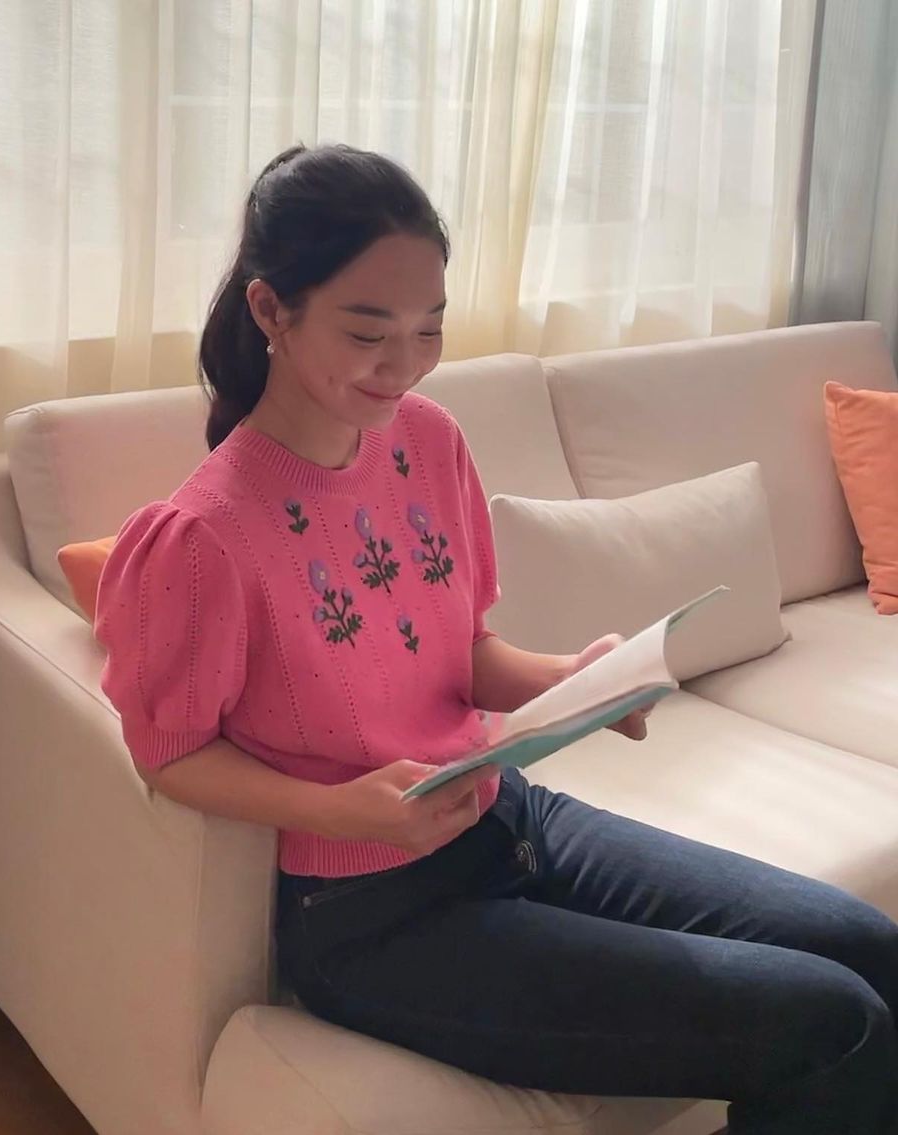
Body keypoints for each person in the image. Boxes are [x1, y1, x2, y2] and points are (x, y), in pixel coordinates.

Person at [94, 143, 898, 1134]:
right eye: (368, 331)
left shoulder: (429, 442)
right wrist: (338, 809)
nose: (403, 364)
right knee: (834, 1022)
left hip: (508, 818)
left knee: (867, 942)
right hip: (373, 918)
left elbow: (460, 653)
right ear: (270, 310)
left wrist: (574, 679)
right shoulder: (204, 538)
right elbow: (168, 753)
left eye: (429, 327)